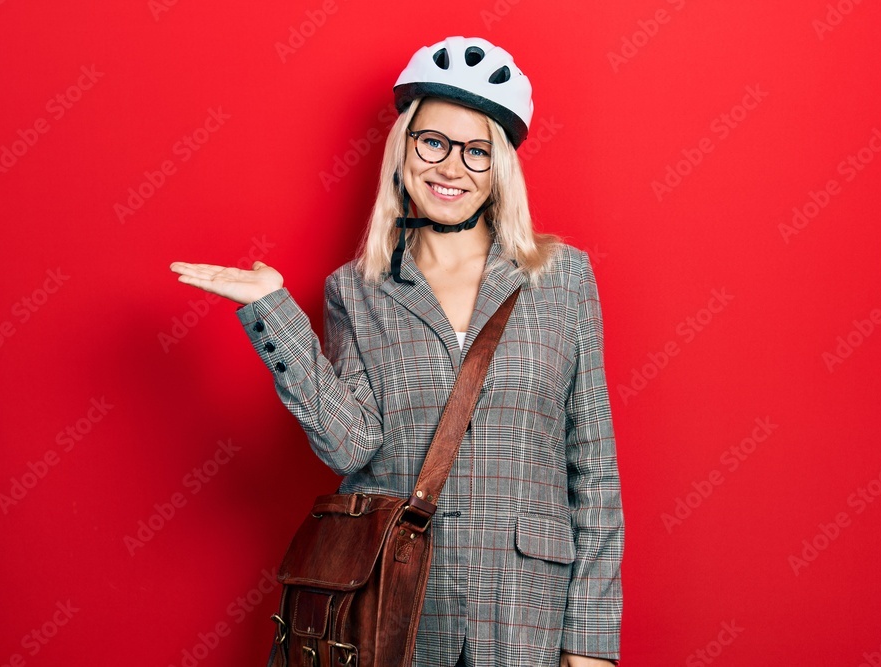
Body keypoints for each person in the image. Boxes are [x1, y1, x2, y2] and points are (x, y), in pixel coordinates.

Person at [171, 36, 623, 667]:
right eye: (433, 142)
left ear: (500, 169)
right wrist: (271, 310)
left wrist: (592, 644)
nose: (451, 168)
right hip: (399, 612)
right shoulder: (355, 291)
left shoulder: (563, 278)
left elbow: (594, 467)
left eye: (476, 152)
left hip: (527, 615)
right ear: (404, 148)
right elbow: (352, 446)